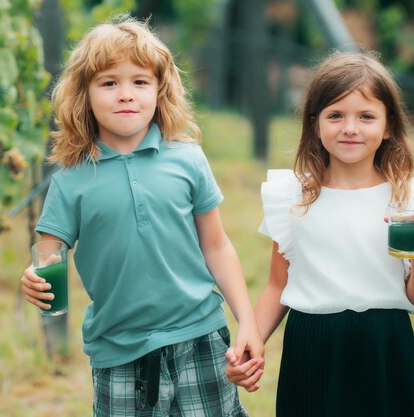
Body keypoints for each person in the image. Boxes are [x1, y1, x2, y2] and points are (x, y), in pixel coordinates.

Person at [20, 15, 263, 417]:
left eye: (140, 81)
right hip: (118, 350)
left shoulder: (187, 159)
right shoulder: (71, 179)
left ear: (159, 91)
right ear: (85, 95)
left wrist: (248, 322)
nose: (126, 94)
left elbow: (217, 246)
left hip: (200, 335)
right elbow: (48, 256)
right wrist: (33, 279)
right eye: (109, 82)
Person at [226, 50, 414, 417]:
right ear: (315, 124)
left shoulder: (406, 200)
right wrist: (252, 341)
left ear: (388, 125)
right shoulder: (294, 199)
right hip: (312, 347)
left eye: (366, 116)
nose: (350, 128)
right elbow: (278, 285)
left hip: (385, 347)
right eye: (335, 115)